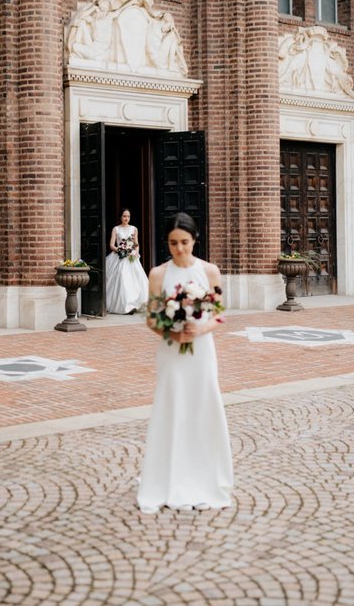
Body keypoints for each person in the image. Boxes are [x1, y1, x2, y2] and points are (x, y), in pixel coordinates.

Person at [136, 212, 233, 513]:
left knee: (203, 405)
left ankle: (205, 476)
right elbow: (152, 318)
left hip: (202, 351)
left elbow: (218, 314)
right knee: (172, 406)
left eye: (185, 242)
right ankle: (167, 477)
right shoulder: (158, 275)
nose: (179, 249)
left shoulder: (210, 271)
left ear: (195, 240)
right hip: (171, 352)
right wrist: (172, 332)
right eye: (173, 243)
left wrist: (199, 329)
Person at [104, 209, 148, 314]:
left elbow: (136, 244)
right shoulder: (116, 229)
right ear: (120, 217)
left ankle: (133, 304)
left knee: (134, 280)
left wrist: (135, 252)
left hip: (131, 257)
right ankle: (124, 305)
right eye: (124, 216)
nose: (126, 218)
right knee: (122, 277)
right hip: (119, 256)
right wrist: (120, 250)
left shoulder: (134, 229)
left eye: (128, 216)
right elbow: (111, 245)